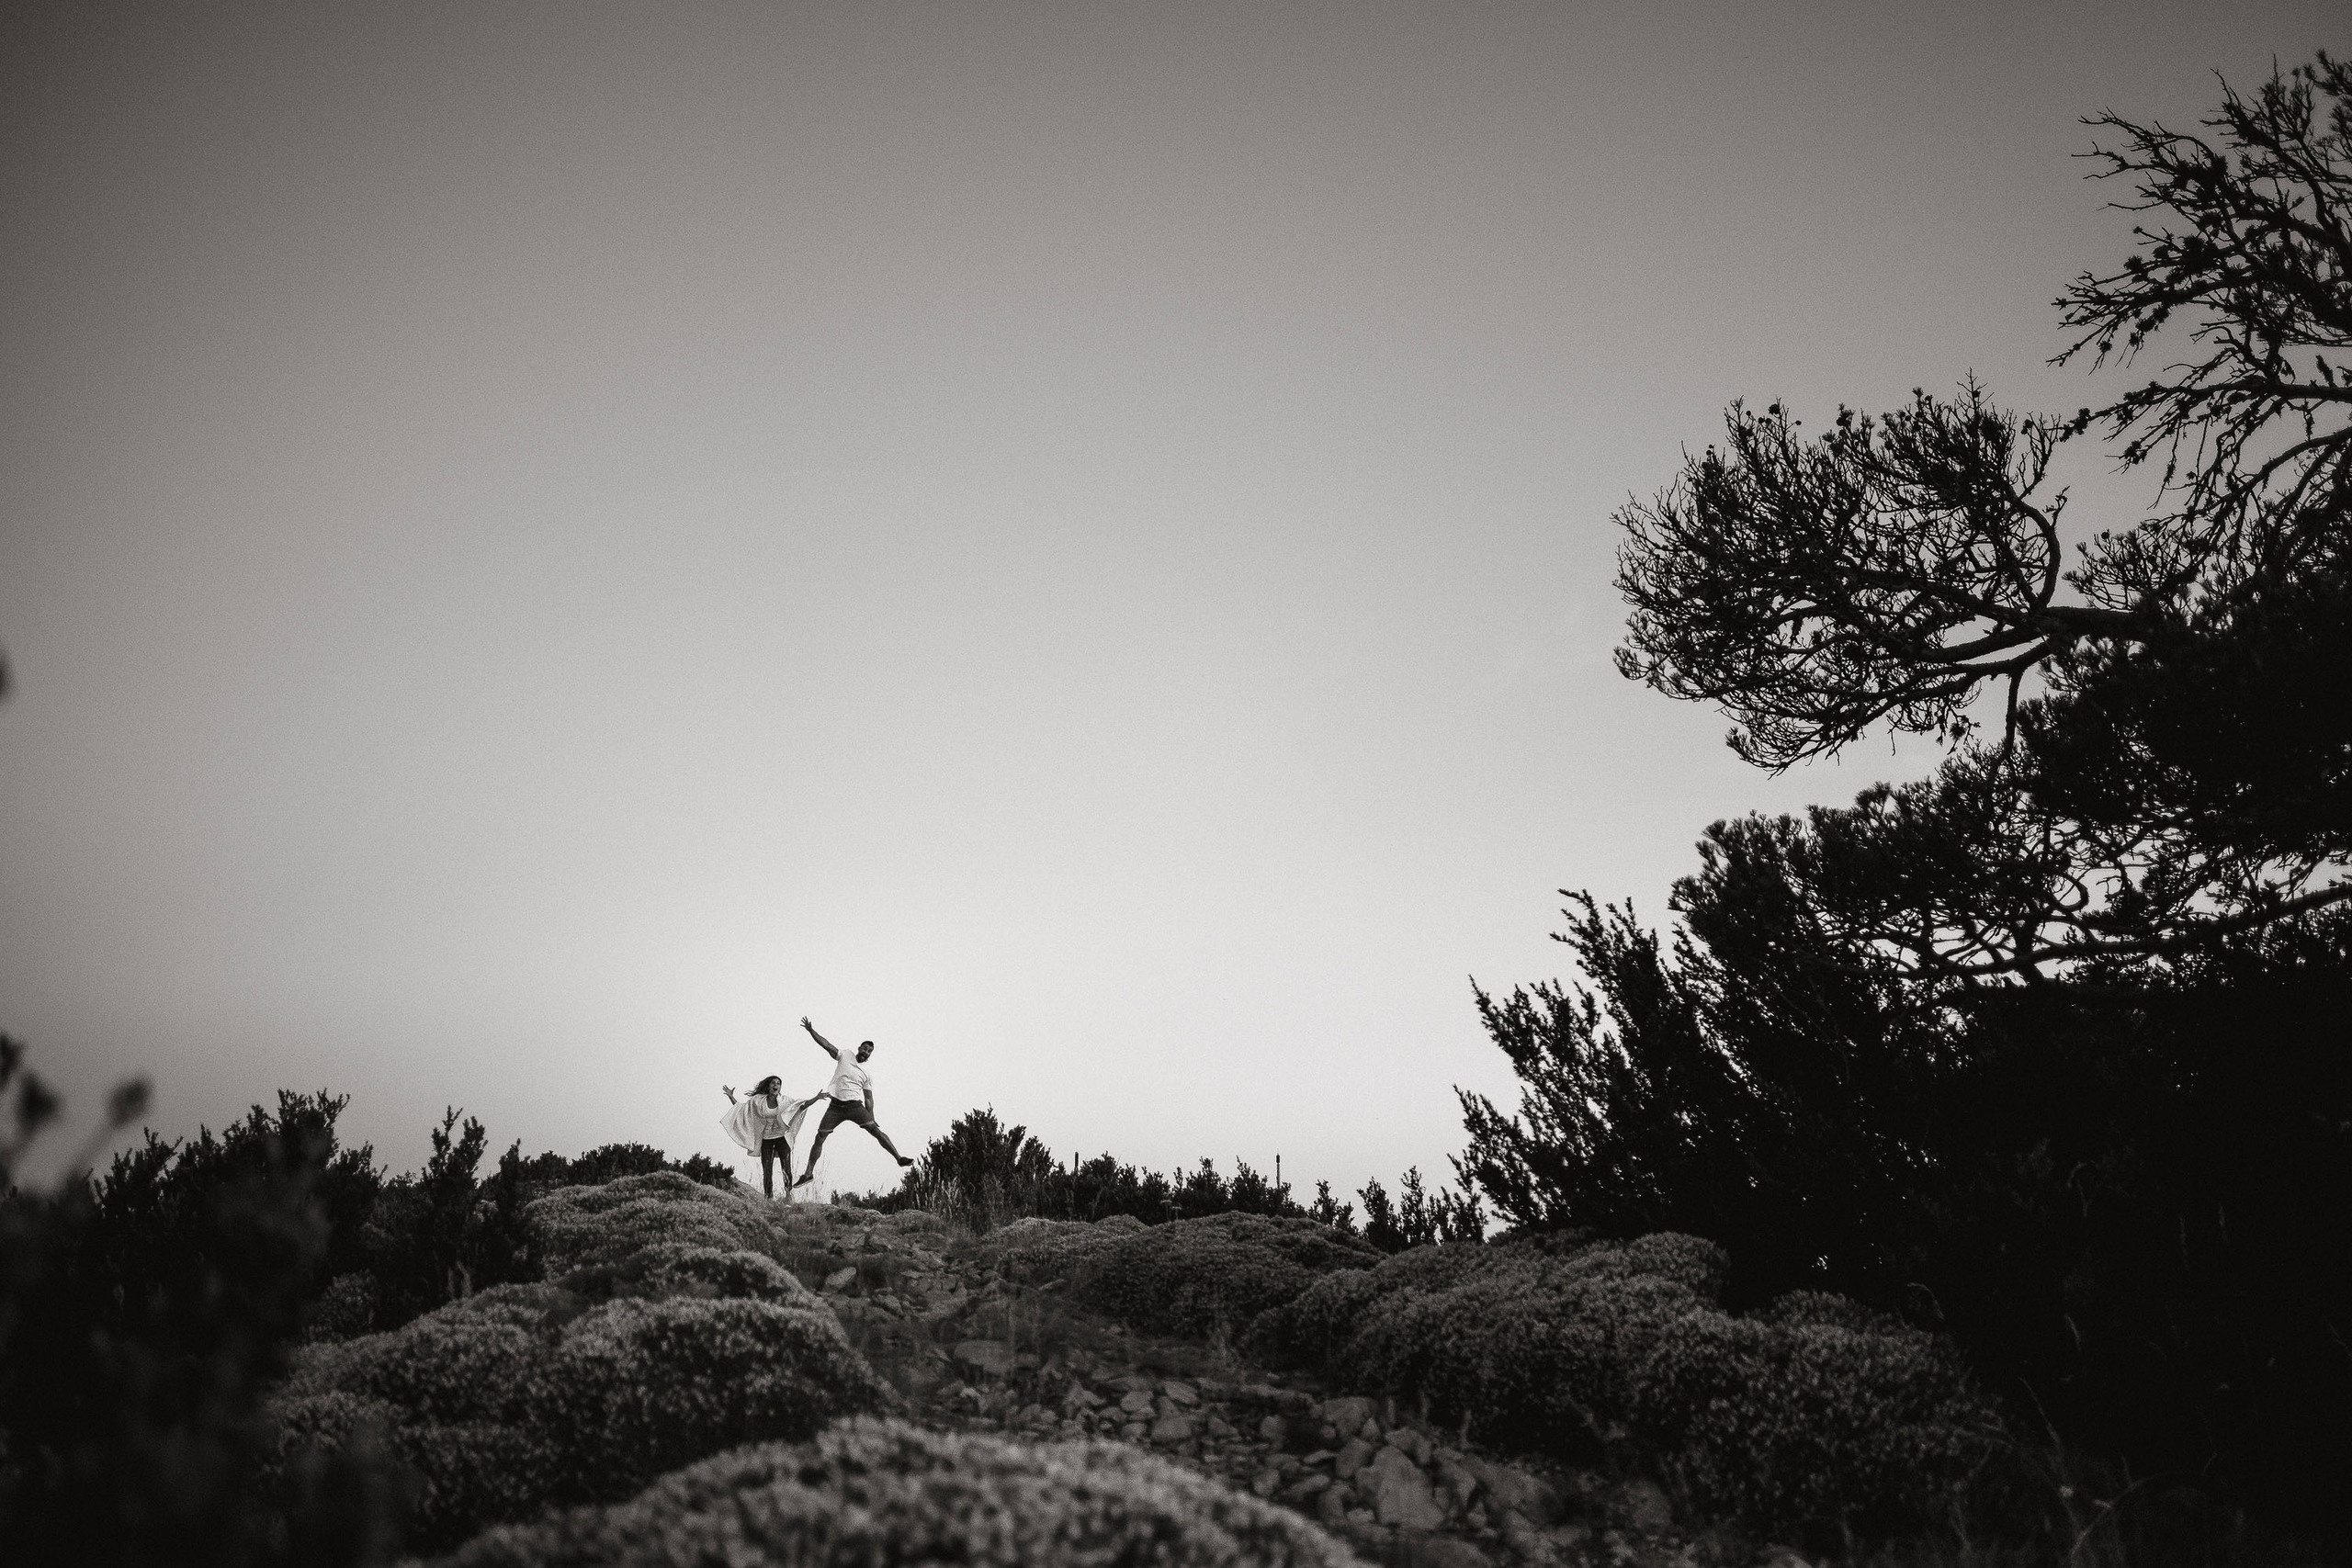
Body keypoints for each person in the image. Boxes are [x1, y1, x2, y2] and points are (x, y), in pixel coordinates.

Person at [792, 1014, 914, 1188]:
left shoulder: (867, 1074)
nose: (866, 1052)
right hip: (835, 1107)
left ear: (870, 1054)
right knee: (819, 1138)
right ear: (859, 1048)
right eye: (864, 1048)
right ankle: (808, 1174)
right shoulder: (846, 1055)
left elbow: (869, 1099)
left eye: (869, 1051)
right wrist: (812, 1031)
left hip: (855, 1107)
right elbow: (827, 1046)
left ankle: (899, 1158)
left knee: (876, 1132)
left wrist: (871, 1117)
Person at [720, 1074, 812, 1199]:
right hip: (766, 1140)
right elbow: (742, 1110)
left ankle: (788, 1195)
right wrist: (731, 1097)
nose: (776, 1085)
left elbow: (800, 1106)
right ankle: (768, 1197)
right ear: (768, 1086)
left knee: (786, 1167)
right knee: (767, 1170)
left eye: (778, 1084)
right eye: (773, 1083)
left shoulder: (785, 1101)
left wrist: (816, 1098)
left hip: (782, 1138)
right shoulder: (758, 1101)